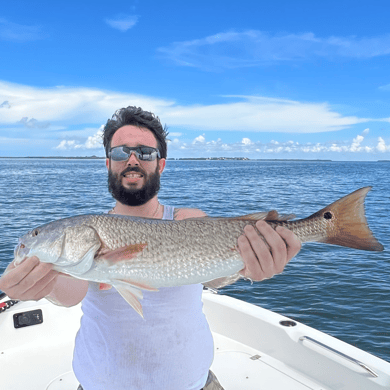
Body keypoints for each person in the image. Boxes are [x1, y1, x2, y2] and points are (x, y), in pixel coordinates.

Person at [0, 106, 301, 390]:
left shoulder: (188, 219)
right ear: (108, 163)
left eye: (145, 152)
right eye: (121, 152)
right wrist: (39, 283)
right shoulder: (87, 243)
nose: (133, 160)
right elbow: (69, 294)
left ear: (161, 164)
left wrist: (251, 266)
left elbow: (214, 275)